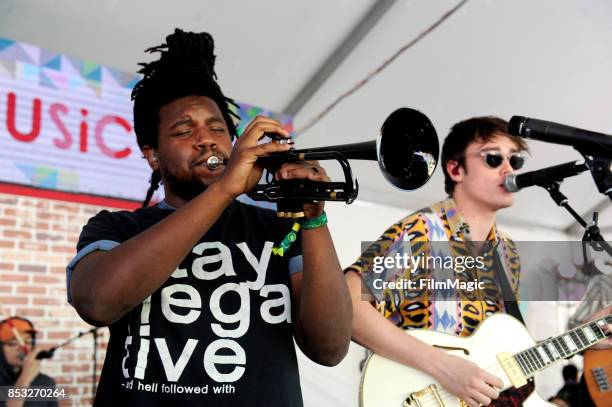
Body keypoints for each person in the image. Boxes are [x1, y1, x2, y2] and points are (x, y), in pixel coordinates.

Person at [66, 29, 351, 407]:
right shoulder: (116, 228)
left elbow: (330, 347)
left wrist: (314, 217)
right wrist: (223, 190)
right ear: (152, 155)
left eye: (218, 129)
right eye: (184, 130)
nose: (206, 139)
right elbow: (97, 303)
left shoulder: (281, 228)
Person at [346, 116, 534, 407]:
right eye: (493, 159)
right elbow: (348, 305)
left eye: (515, 161)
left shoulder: (506, 251)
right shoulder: (423, 232)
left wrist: (589, 335)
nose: (508, 169)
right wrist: (444, 367)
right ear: (456, 169)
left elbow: (504, 345)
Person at [0, 317, 57, 407]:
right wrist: (24, 379)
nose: (23, 348)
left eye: (28, 341)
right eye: (13, 343)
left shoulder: (45, 383)